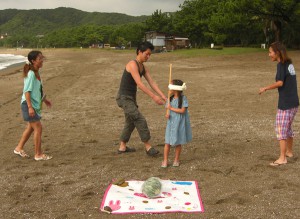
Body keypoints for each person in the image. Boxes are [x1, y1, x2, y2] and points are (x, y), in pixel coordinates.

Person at [116, 41, 167, 156]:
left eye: (150, 55)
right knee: (139, 119)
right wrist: (154, 97)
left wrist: (163, 96)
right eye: (147, 54)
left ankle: (122, 147)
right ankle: (148, 147)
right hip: (124, 98)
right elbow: (139, 83)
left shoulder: (142, 67)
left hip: (131, 99)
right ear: (140, 51)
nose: (148, 57)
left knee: (130, 122)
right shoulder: (132, 64)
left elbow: (152, 83)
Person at [259, 42, 299, 166]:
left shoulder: (281, 65)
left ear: (277, 53)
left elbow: (280, 83)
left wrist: (265, 88)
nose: (269, 54)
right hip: (294, 102)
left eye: (270, 52)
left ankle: (282, 158)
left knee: (281, 127)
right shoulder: (289, 63)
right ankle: (289, 152)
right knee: (287, 127)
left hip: (286, 103)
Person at [14, 50, 52, 161]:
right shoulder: (31, 74)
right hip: (28, 104)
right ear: (33, 61)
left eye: (42, 58)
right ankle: (38, 154)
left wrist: (45, 100)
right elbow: (27, 91)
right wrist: (30, 107)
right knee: (38, 127)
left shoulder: (36, 72)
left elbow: (37, 90)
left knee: (31, 128)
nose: (42, 60)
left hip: (33, 104)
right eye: (40, 59)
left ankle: (19, 148)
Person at [161, 79, 192, 167]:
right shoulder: (169, 98)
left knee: (178, 142)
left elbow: (182, 110)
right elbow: (167, 111)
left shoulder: (183, 99)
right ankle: (165, 160)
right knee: (167, 142)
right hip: (171, 123)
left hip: (179, 123)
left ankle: (176, 160)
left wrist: (171, 108)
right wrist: (167, 114)